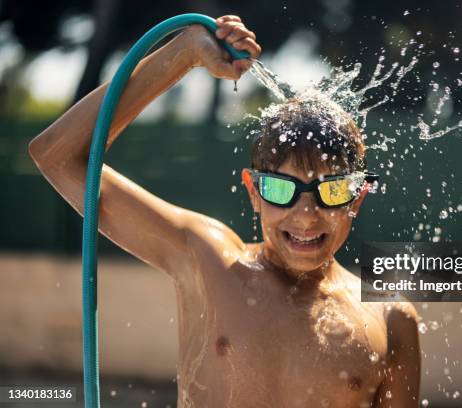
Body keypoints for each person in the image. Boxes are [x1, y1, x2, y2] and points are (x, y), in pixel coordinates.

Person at [28, 15, 420, 408]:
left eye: (331, 191)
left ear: (357, 197)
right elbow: (56, 156)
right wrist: (183, 54)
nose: (306, 214)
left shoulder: (390, 319)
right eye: (281, 190)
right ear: (253, 191)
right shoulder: (208, 260)